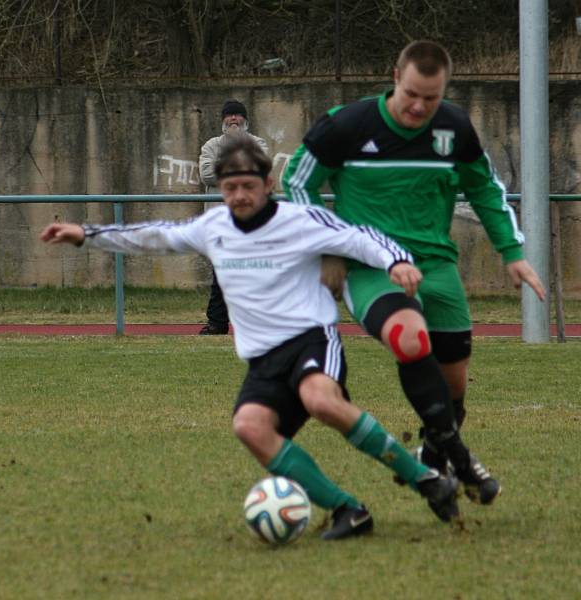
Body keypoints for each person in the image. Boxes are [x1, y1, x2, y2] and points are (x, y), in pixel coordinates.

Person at [40, 134, 459, 541]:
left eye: (247, 186)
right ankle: (348, 509)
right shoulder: (213, 227)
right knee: (249, 427)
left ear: (268, 184)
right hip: (264, 359)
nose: (239, 195)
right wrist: (87, 236)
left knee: (321, 400)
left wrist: (397, 261)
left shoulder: (301, 220)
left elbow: (361, 238)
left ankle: (423, 478)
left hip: (311, 338)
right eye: (230, 187)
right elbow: (156, 235)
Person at [283, 40, 546, 506]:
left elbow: (484, 188)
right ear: (395, 78)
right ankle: (462, 461)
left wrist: (512, 250)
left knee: (454, 386)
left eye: (432, 97)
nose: (420, 106)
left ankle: (432, 450)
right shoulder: (346, 125)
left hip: (436, 266)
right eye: (411, 94)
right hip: (370, 267)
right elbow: (297, 183)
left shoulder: (454, 128)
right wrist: (327, 248)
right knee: (410, 338)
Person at [198, 99, 270, 335]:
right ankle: (217, 323)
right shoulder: (210, 145)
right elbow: (207, 175)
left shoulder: (258, 143)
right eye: (229, 116)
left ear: (245, 120)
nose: (233, 120)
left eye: (238, 116)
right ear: (222, 120)